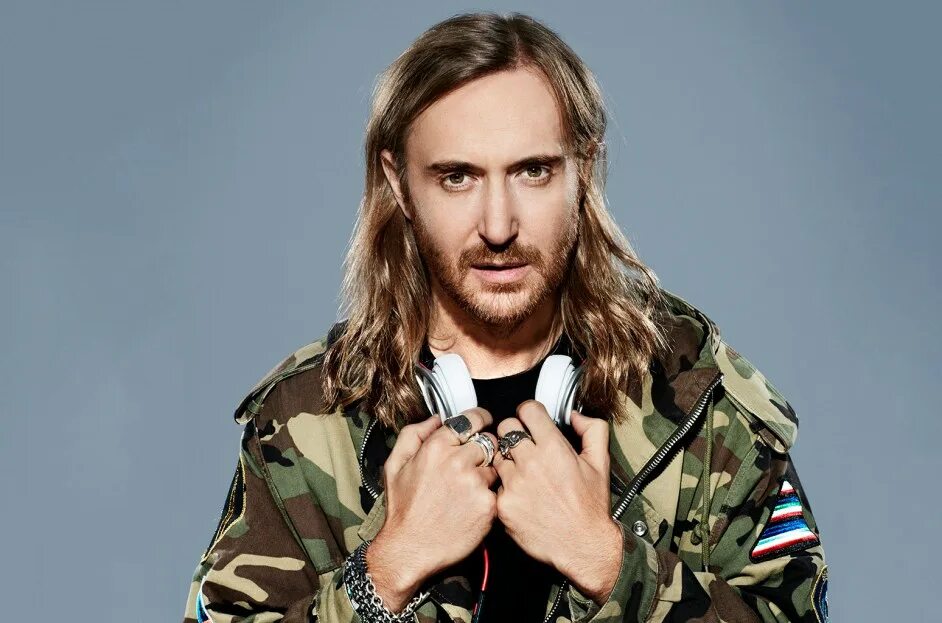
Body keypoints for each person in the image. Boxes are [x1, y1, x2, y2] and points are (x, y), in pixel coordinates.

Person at [182, 11, 828, 623]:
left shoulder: (698, 398)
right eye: (457, 177)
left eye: (533, 171)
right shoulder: (304, 422)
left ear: (584, 169)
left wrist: (606, 559)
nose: (498, 226)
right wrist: (388, 569)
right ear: (399, 183)